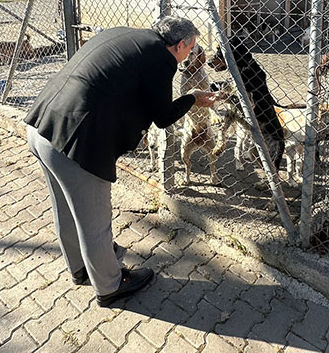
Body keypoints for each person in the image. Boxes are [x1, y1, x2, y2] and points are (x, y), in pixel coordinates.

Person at [25, 16, 216, 308]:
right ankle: (111, 286)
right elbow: (163, 116)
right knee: (95, 224)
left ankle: (80, 269)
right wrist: (191, 98)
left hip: (42, 125)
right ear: (179, 44)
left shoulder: (124, 34)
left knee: (64, 208)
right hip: (76, 142)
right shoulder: (161, 58)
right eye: (190, 49)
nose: (190, 55)